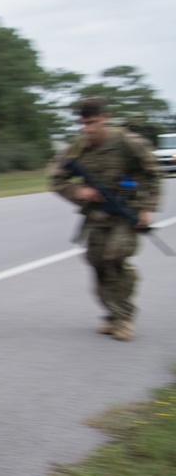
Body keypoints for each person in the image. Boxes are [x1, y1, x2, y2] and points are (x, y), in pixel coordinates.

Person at [48, 97, 161, 341]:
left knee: (115, 258)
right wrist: (78, 191)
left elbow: (152, 175)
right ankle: (112, 313)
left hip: (126, 211)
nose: (88, 128)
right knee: (97, 262)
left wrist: (146, 208)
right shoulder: (78, 148)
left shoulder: (127, 143)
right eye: (84, 123)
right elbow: (55, 178)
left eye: (93, 122)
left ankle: (124, 316)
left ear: (105, 119)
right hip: (97, 214)